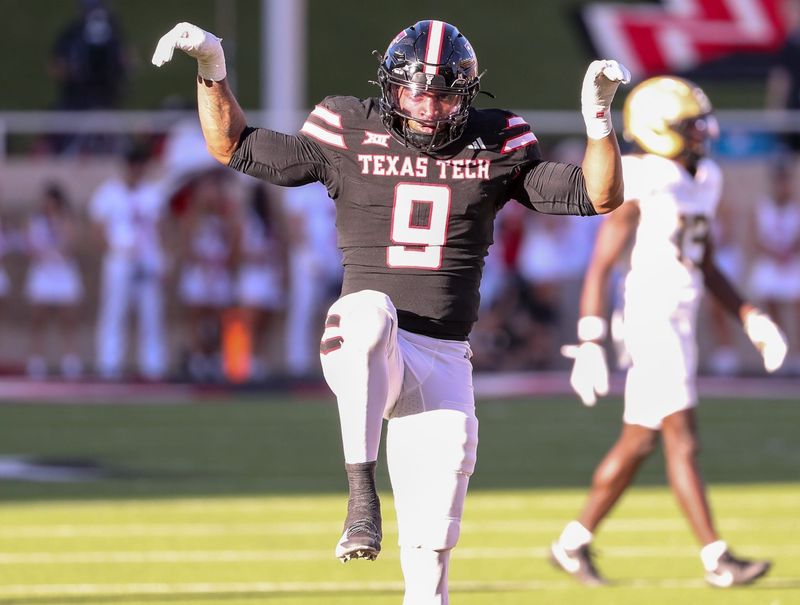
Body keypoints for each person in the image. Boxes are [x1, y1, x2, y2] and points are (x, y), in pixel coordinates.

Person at [153, 19, 629, 603]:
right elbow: (235, 146)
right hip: (362, 342)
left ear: (468, 92)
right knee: (372, 313)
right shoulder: (351, 126)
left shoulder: (496, 140)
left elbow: (598, 196)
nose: (429, 106)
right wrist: (212, 68)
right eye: (416, 90)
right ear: (392, 87)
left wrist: (599, 121)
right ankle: (360, 494)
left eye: (445, 92)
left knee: (431, 565)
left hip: (445, 354)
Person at [554, 76, 789, 589]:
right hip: (649, 318)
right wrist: (590, 338)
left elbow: (701, 258)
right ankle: (716, 557)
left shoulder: (704, 178)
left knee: (640, 441)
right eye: (691, 126)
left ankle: (571, 542)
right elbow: (600, 264)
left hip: (679, 317)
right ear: (659, 130)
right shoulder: (641, 177)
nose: (704, 132)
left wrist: (750, 314)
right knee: (682, 437)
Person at [89, 143, 168, 380]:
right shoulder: (108, 193)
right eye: (132, 165)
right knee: (114, 311)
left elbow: (161, 230)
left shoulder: (153, 194)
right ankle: (109, 362)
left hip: (147, 258)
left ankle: (153, 365)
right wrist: (114, 250)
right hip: (120, 259)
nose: (136, 169)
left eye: (140, 165)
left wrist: (162, 259)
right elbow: (98, 231)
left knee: (151, 312)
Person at [24, 184, 84, 379]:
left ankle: (70, 360)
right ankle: (37, 360)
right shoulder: (35, 221)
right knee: (38, 319)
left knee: (68, 319)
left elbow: (72, 245)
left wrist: (60, 230)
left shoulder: (66, 220)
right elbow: (30, 247)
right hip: (43, 272)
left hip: (63, 273)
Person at [283, 182, 342, 378]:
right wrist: (306, 254)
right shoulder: (301, 187)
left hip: (337, 257)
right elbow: (293, 224)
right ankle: (297, 364)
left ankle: (335, 363)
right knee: (304, 308)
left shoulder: (335, 183)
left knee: (338, 313)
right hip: (309, 258)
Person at [747, 158, 800, 372]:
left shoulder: (796, 208)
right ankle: (781, 353)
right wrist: (774, 253)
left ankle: (797, 354)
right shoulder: (762, 207)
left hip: (791, 263)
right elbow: (754, 239)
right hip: (770, 263)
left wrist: (789, 253)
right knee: (771, 307)